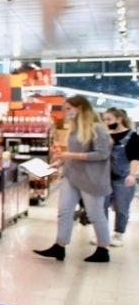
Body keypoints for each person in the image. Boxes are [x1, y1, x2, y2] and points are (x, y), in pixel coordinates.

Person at [35, 96, 112, 263]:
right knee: (64, 211)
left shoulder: (98, 128)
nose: (65, 112)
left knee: (95, 214)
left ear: (80, 108)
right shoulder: (75, 129)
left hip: (92, 179)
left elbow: (102, 154)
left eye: (68, 108)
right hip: (72, 175)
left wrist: (71, 155)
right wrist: (59, 162)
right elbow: (72, 151)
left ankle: (103, 249)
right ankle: (59, 246)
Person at [103, 107, 139, 246]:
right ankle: (103, 234)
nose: (106, 122)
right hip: (105, 177)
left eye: (109, 119)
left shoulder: (132, 136)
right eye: (105, 119)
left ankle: (119, 234)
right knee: (102, 206)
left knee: (121, 207)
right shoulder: (106, 135)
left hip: (123, 177)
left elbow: (135, 157)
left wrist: (132, 175)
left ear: (119, 119)